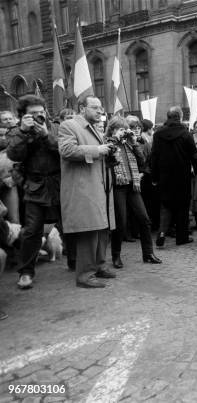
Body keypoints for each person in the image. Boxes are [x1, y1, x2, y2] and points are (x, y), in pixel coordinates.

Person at [58, 95, 116, 288]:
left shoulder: (92, 127)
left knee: (100, 228)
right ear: (82, 108)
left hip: (97, 186)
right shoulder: (69, 125)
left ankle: (99, 265)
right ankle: (84, 275)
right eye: (95, 107)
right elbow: (66, 150)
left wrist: (108, 152)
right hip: (82, 188)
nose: (100, 111)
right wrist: (98, 149)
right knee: (88, 231)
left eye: (101, 107)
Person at [7, 95, 62, 289]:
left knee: (71, 222)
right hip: (34, 185)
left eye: (41, 112)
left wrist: (46, 134)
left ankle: (75, 260)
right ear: (23, 115)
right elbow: (14, 154)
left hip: (58, 182)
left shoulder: (55, 127)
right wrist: (23, 131)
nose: (39, 116)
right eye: (33, 114)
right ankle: (26, 272)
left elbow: (62, 150)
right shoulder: (16, 131)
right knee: (32, 230)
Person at [105, 116, 161, 269]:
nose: (124, 132)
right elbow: (108, 159)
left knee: (144, 219)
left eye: (125, 129)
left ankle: (148, 253)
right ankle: (116, 255)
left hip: (132, 185)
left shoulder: (128, 144)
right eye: (121, 129)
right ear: (113, 130)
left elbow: (142, 161)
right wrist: (115, 140)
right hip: (118, 186)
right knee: (121, 222)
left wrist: (134, 142)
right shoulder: (107, 143)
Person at [151, 106, 197, 247]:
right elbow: (193, 155)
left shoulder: (157, 134)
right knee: (182, 207)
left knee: (166, 206)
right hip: (182, 177)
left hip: (164, 177)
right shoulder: (186, 134)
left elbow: (154, 157)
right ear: (180, 117)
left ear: (168, 117)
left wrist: (154, 177)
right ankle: (182, 237)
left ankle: (161, 234)